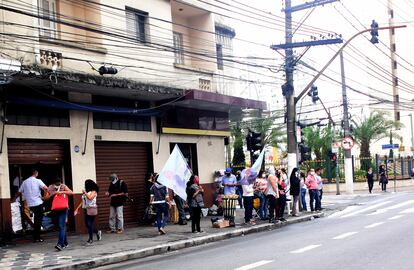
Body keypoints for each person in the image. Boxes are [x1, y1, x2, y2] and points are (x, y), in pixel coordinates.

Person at [14, 169, 49, 243]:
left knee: (36, 220)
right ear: (36, 173)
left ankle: (36, 236)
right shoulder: (38, 180)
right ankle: (37, 237)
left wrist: (13, 199)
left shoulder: (24, 182)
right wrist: (45, 197)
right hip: (38, 203)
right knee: (38, 221)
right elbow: (46, 188)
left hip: (31, 204)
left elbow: (19, 192)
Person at [48, 177, 72, 251]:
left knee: (62, 226)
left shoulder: (63, 186)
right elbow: (46, 198)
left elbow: (71, 192)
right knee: (61, 226)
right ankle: (65, 242)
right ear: (53, 183)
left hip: (64, 209)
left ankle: (60, 244)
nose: (58, 184)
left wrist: (61, 192)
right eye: (56, 183)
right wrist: (53, 194)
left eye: (59, 183)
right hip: (55, 209)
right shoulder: (50, 187)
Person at [74, 179, 102, 245]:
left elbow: (90, 198)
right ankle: (97, 232)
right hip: (86, 209)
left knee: (89, 224)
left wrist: (85, 193)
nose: (85, 186)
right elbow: (83, 201)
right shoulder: (87, 192)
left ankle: (90, 239)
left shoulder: (94, 191)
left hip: (91, 209)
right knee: (87, 224)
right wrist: (77, 209)